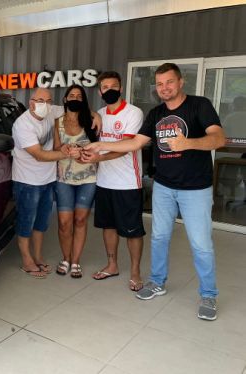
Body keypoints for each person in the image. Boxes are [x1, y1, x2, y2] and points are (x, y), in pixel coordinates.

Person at [84, 63, 226, 320]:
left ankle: (209, 294)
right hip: (163, 185)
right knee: (159, 238)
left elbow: (218, 138)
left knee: (201, 244)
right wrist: (99, 145)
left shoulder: (199, 105)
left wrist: (188, 142)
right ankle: (157, 281)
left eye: (169, 82)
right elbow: (136, 142)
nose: (164, 88)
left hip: (196, 188)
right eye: (159, 84)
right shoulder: (156, 113)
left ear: (181, 82)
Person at [80, 71, 145, 291]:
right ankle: (112, 265)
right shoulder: (99, 113)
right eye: (105, 87)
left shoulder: (133, 113)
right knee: (107, 226)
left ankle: (135, 271)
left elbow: (127, 148)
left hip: (128, 182)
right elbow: (73, 110)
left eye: (113, 86)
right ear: (100, 91)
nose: (109, 90)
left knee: (132, 230)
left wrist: (100, 157)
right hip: (104, 181)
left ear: (121, 88)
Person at [12, 87, 68, 278]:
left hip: (48, 179)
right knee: (26, 221)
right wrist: (66, 153)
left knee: (42, 222)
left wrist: (96, 116)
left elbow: (73, 109)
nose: (45, 105)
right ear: (31, 103)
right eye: (40, 100)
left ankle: (37, 255)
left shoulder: (51, 111)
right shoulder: (22, 124)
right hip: (28, 181)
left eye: (49, 101)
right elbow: (39, 155)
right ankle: (27, 260)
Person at [53, 84, 98, 278]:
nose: (75, 98)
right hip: (64, 178)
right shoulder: (58, 122)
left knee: (80, 220)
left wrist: (83, 152)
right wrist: (64, 149)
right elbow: (56, 148)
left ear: (83, 101)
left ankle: (76, 261)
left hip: (88, 178)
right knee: (64, 222)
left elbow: (97, 147)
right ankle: (66, 257)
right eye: (71, 95)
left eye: (79, 96)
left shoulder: (92, 120)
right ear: (65, 99)